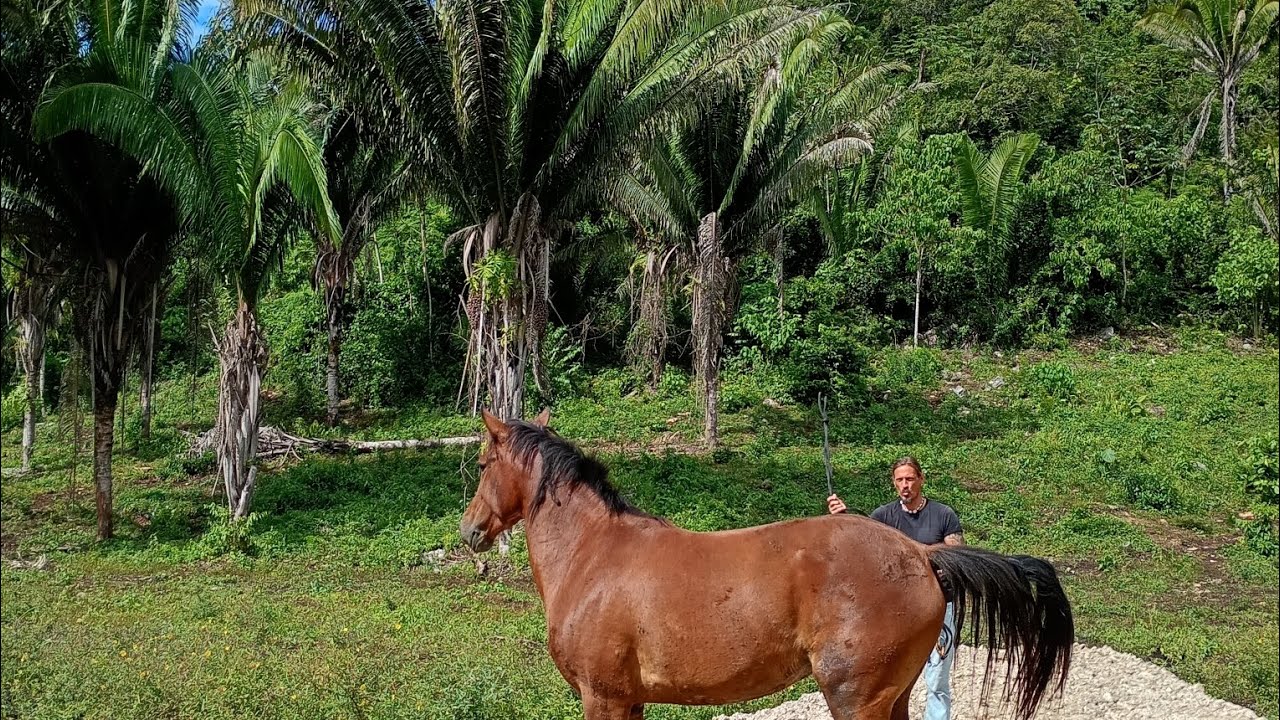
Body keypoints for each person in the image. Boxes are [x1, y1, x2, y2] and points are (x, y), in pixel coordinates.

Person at [827, 457, 963, 720]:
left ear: (921, 480)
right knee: (893, 681)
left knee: (936, 680)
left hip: (940, 605)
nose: (905, 485)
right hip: (896, 614)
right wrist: (844, 517)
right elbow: (864, 545)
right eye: (900, 480)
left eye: (910, 479)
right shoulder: (883, 516)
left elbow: (956, 556)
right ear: (894, 483)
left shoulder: (943, 515)